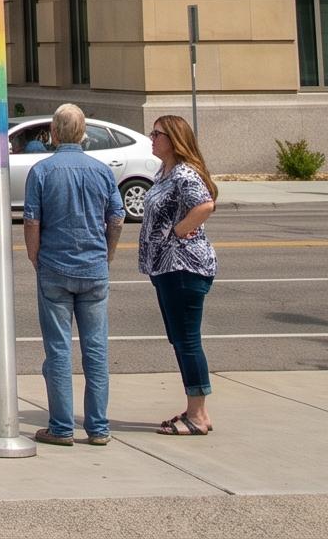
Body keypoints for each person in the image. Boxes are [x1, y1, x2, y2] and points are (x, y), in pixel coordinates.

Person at [22, 104, 124, 446]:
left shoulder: (42, 171)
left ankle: (62, 427)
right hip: (94, 267)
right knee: (96, 351)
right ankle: (98, 427)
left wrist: (35, 256)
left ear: (53, 133)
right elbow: (117, 217)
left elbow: (32, 221)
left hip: (54, 266)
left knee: (58, 350)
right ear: (83, 134)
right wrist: (107, 253)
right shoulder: (102, 171)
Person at [140, 114, 219, 437]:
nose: (152, 138)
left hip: (183, 267)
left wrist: (179, 230)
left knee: (187, 341)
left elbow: (205, 205)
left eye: (157, 134)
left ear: (174, 139)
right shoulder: (166, 172)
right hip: (165, 268)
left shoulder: (185, 174)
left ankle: (198, 416)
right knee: (180, 339)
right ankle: (195, 409)